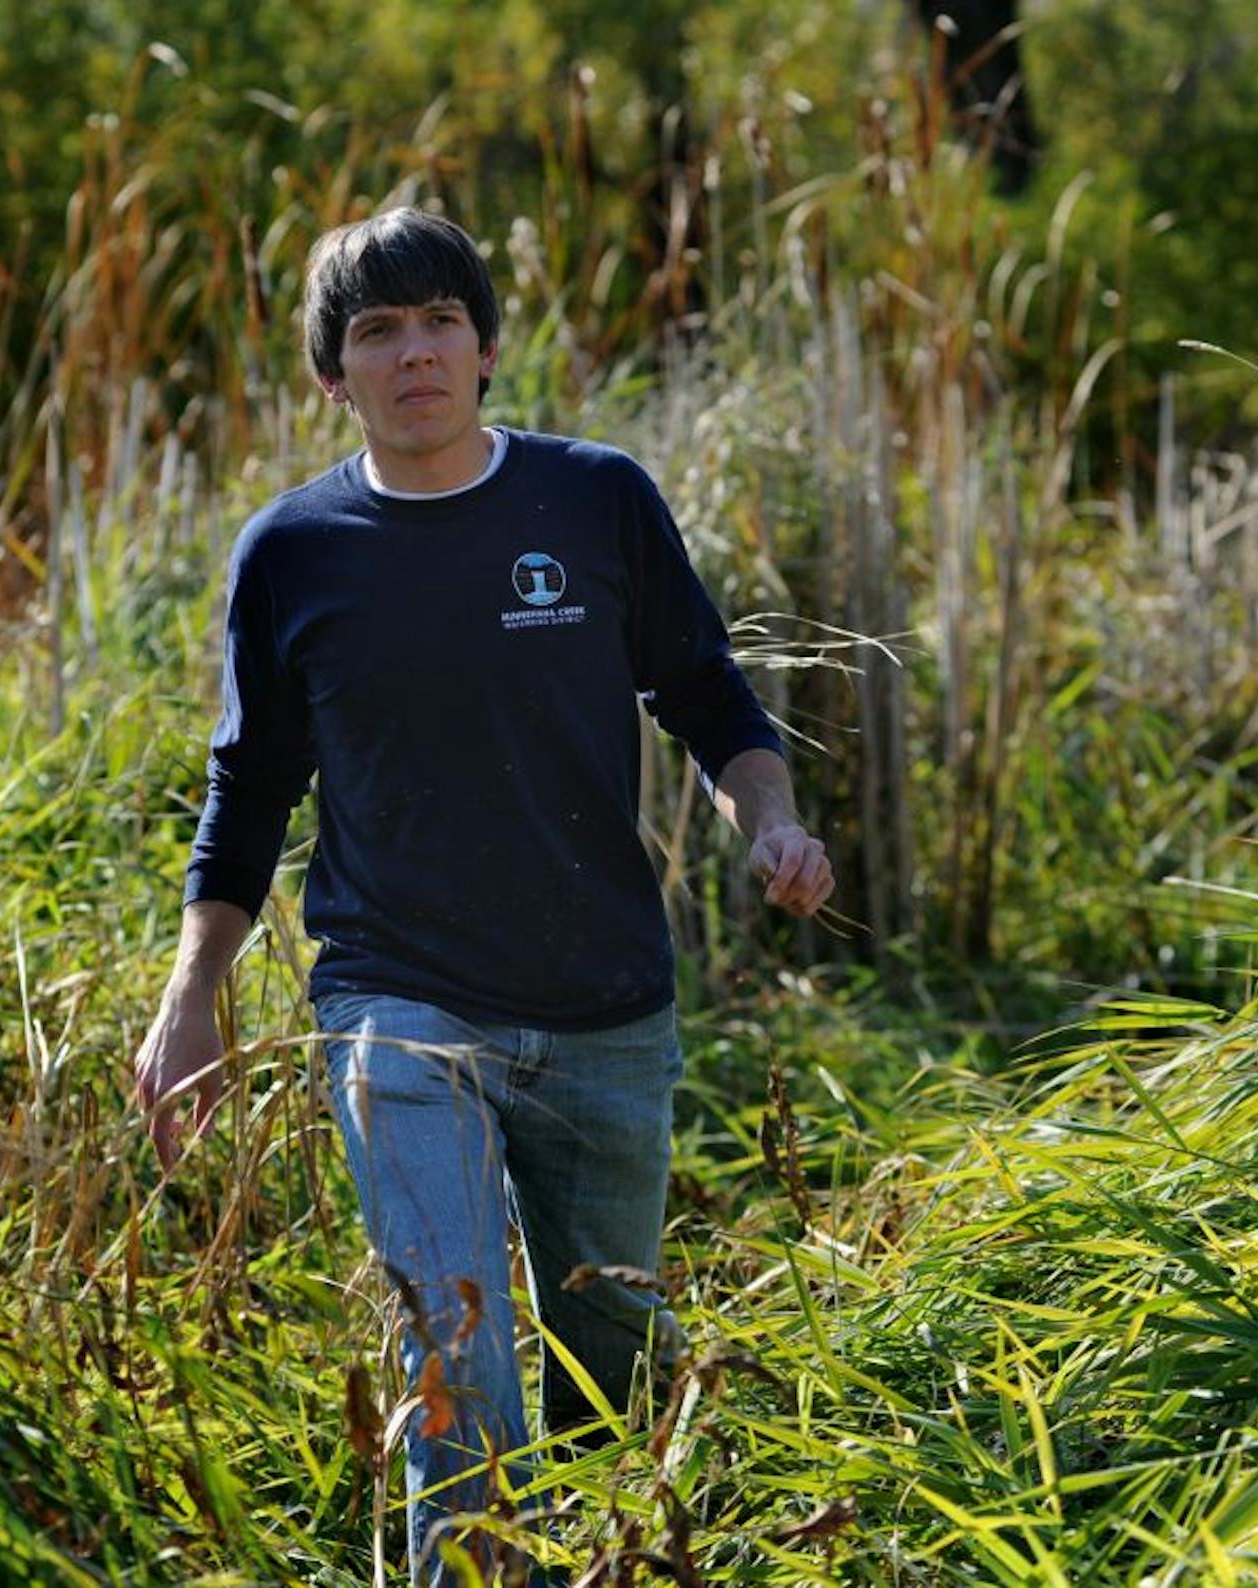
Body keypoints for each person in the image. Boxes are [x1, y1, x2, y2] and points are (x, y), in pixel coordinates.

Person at [132, 207, 834, 1585]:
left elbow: (710, 701)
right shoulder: (294, 553)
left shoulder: (596, 500)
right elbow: (249, 788)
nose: (416, 354)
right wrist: (190, 995)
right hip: (397, 1002)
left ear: (488, 345)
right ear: (332, 376)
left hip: (603, 1005)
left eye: (441, 321)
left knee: (612, 1379)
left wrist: (776, 822)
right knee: (455, 1354)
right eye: (377, 332)